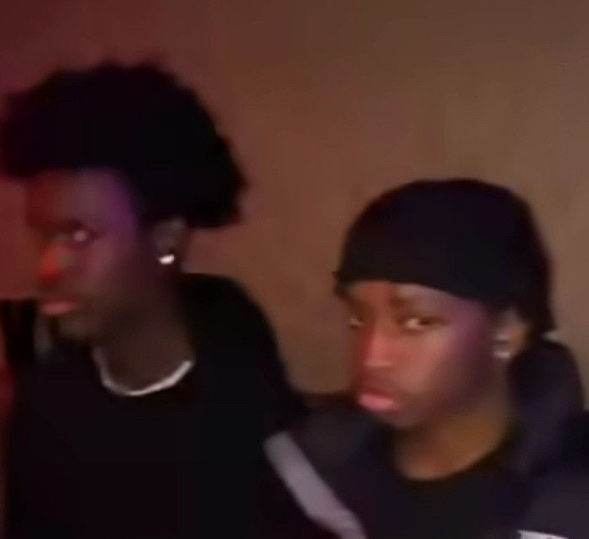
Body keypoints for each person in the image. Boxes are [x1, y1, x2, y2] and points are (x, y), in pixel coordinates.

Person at [0, 63, 305, 538]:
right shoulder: (47, 404)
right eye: (43, 235)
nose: (48, 269)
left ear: (165, 239)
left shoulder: (242, 401)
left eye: (79, 235)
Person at [265, 179, 589, 539]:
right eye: (358, 318)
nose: (371, 357)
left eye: (417, 322)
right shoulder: (309, 472)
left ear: (506, 332)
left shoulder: (570, 506)